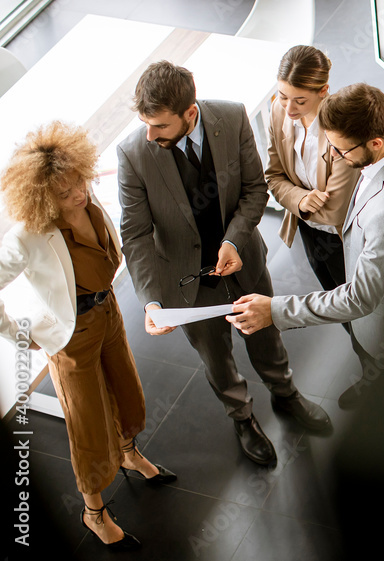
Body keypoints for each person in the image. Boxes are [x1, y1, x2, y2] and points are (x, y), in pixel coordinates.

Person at [227, 83, 384, 541]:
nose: (335, 158)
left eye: (341, 149)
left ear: (374, 142)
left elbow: (360, 297)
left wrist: (274, 310)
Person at [116, 61, 331, 468]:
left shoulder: (231, 117)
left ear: (189, 113)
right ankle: (242, 417)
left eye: (159, 126)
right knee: (215, 355)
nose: (149, 135)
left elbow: (254, 189)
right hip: (184, 281)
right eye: (145, 124)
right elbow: (136, 235)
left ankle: (285, 394)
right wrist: (151, 301)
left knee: (266, 336)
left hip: (244, 259)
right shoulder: (132, 154)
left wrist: (233, 239)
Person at [0, 121, 177, 550]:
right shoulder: (27, 235)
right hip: (71, 335)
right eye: (64, 193)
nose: (78, 193)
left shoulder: (90, 200)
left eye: (78, 181)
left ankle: (130, 453)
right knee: (87, 424)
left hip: (109, 311)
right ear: (43, 196)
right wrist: (19, 335)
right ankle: (93, 510)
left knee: (127, 391)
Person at [266, 45, 359, 292]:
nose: (289, 109)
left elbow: (336, 212)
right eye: (283, 96)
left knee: (357, 302)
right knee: (331, 293)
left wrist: (292, 199)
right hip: (306, 226)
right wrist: (300, 200)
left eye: (299, 101)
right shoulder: (278, 111)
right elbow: (273, 177)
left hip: (342, 235)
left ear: (323, 91)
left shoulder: (342, 129)